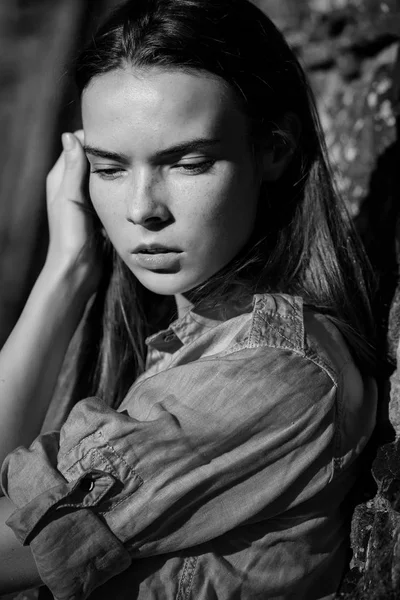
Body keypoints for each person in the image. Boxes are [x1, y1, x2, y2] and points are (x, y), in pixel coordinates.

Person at [0, 0, 379, 598]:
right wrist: (66, 269)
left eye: (189, 162)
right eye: (109, 168)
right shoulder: (170, 341)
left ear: (275, 148)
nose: (142, 208)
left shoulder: (272, 372)